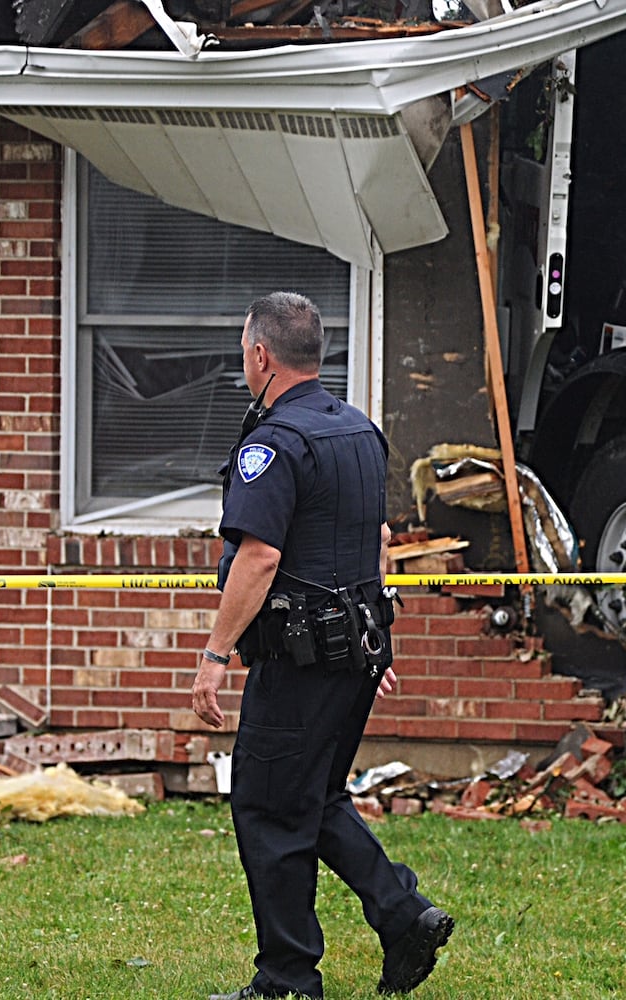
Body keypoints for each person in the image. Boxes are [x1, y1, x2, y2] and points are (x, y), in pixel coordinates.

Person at [190, 292, 452, 1000]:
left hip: (302, 660)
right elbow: (376, 542)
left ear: (259, 355)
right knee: (314, 797)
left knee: (270, 809)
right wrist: (377, 644)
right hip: (355, 655)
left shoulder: (272, 444)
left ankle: (285, 981)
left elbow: (259, 558)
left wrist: (215, 655)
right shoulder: (359, 432)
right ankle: (403, 915)